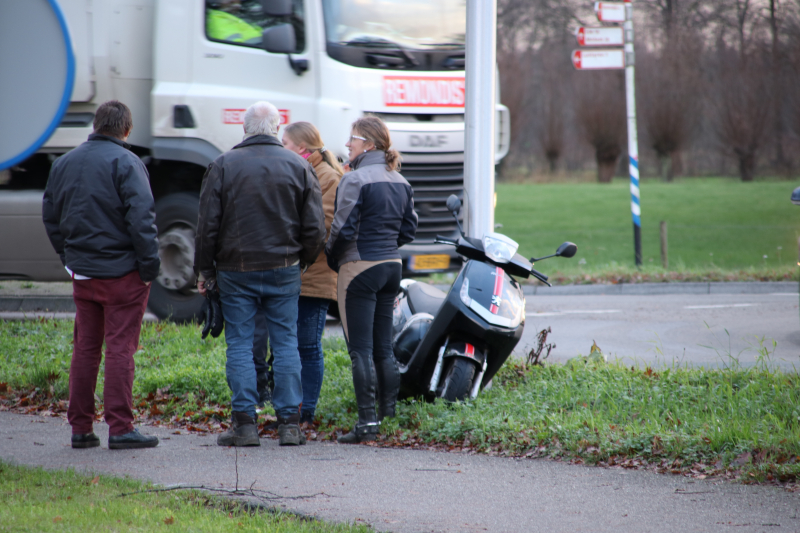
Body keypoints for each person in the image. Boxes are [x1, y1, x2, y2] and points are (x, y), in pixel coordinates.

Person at [195, 101, 326, 447]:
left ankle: (245, 424)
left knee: (239, 342)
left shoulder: (223, 165)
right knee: (286, 344)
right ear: (276, 129)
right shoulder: (299, 166)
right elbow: (315, 227)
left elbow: (207, 227)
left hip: (235, 271)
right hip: (284, 269)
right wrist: (304, 261)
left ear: (245, 128)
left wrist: (206, 271)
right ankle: (289, 425)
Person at [42, 100, 161, 450]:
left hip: (84, 273)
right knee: (121, 348)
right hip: (123, 273)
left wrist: (69, 258)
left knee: (86, 348)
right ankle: (121, 428)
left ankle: (80, 428)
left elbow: (51, 216)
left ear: (95, 125)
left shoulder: (63, 163)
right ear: (127, 129)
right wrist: (148, 267)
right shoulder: (128, 162)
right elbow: (142, 220)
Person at [325, 116, 418, 444]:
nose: (347, 144)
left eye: (352, 139)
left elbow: (342, 228)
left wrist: (332, 257)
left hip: (359, 267)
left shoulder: (355, 179)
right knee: (383, 348)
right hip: (391, 266)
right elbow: (409, 228)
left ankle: (366, 424)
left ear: (370, 145)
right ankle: (387, 419)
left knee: (360, 350)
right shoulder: (400, 180)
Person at [280, 121, 343, 424]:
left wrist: (287, 240)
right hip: (294, 273)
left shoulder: (328, 177)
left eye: (286, 144)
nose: (282, 149)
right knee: (290, 345)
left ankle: (306, 412)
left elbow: (326, 227)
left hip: (314, 276)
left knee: (307, 345)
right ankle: (292, 409)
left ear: (302, 149)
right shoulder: (299, 170)